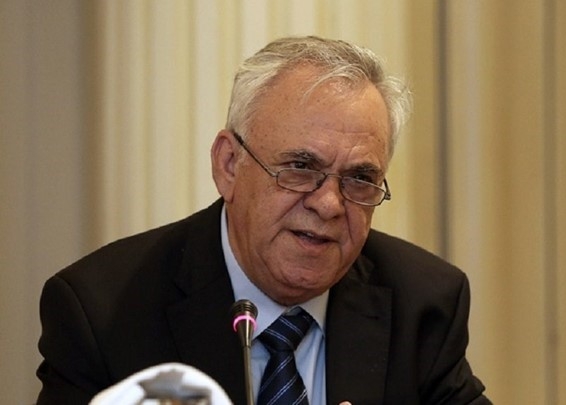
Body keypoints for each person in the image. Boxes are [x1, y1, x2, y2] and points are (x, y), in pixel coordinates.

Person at [36, 36, 491, 404]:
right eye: (300, 168)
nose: (329, 204)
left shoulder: (423, 304)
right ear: (229, 165)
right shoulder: (102, 313)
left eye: (359, 179)